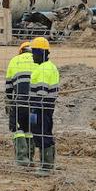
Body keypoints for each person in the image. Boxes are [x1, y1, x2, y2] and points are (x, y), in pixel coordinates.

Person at [28, 37, 61, 176]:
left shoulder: (42, 70)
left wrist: (34, 110)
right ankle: (48, 164)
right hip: (48, 107)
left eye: (34, 52)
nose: (32, 55)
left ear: (41, 52)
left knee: (41, 134)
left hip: (40, 108)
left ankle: (46, 167)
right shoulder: (50, 67)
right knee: (46, 132)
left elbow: (40, 93)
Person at [4, 41, 35, 167]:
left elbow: (8, 86)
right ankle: (30, 157)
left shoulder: (14, 61)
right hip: (34, 105)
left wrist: (10, 101)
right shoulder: (38, 61)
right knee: (31, 128)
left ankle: (22, 159)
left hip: (19, 102)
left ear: (21, 51)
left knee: (17, 129)